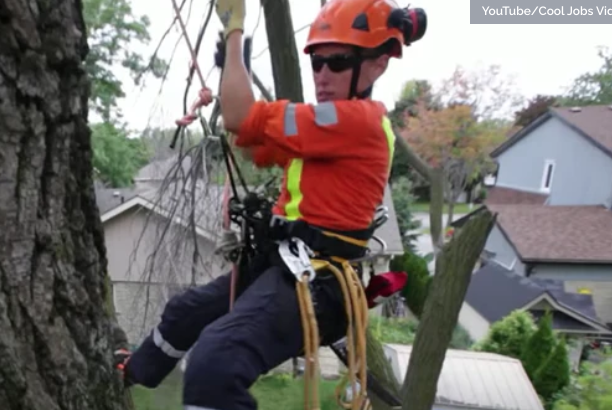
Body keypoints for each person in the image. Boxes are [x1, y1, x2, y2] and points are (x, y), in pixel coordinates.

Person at [114, 0, 427, 408]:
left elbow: (242, 118)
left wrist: (234, 36)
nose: (323, 74)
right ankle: (136, 370)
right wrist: (233, 81)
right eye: (316, 62)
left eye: (338, 62)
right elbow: (251, 144)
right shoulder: (326, 127)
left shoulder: (356, 122)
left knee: (216, 362)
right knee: (184, 311)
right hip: (283, 267)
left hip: (317, 283)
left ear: (378, 64)